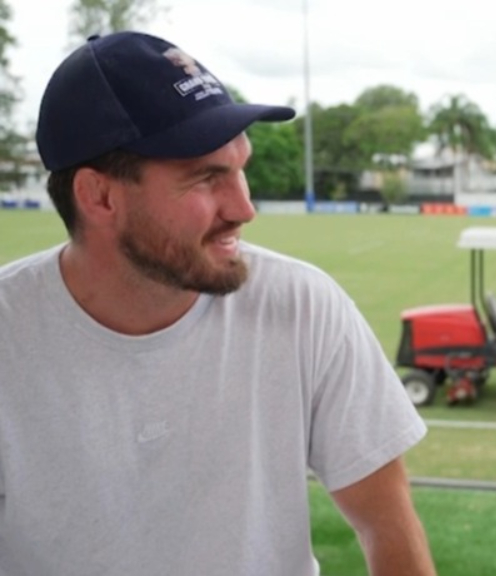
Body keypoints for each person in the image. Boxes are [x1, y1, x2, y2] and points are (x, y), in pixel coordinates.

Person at [0, 32, 435, 576]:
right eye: (207, 178)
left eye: (240, 168)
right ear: (100, 196)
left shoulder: (303, 307)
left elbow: (388, 528)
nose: (244, 207)